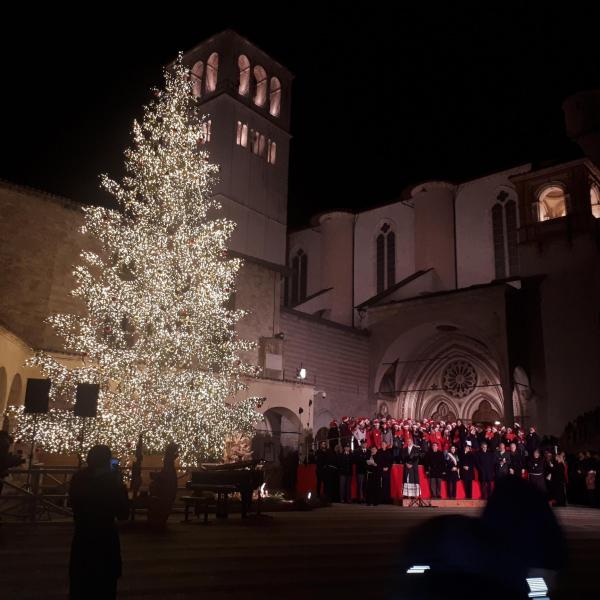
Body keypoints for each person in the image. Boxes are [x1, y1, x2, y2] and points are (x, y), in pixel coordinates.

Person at [69, 444, 129, 600]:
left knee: (80, 584)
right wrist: (120, 486)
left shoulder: (79, 478)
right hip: (105, 538)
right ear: (108, 461)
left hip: (83, 537)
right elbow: (123, 513)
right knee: (105, 586)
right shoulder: (112, 482)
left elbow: (73, 504)